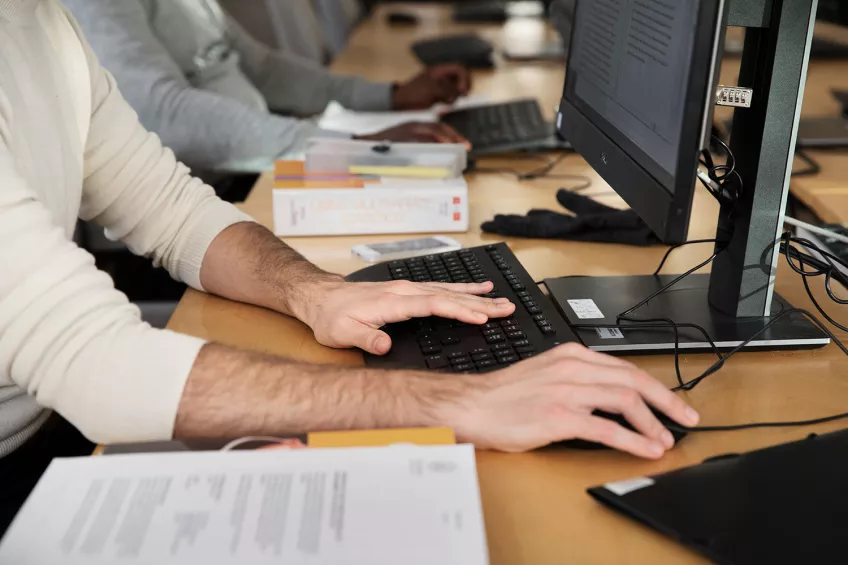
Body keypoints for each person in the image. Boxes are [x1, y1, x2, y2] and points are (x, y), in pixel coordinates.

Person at [0, 0, 700, 534]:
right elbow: (97, 364)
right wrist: (457, 401)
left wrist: (317, 292)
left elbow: (170, 207)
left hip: (53, 430)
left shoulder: (42, 24)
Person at [62, 0, 472, 184]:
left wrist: (389, 96)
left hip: (254, 173)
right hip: (196, 196)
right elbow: (163, 114)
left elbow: (260, 67)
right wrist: (346, 145)